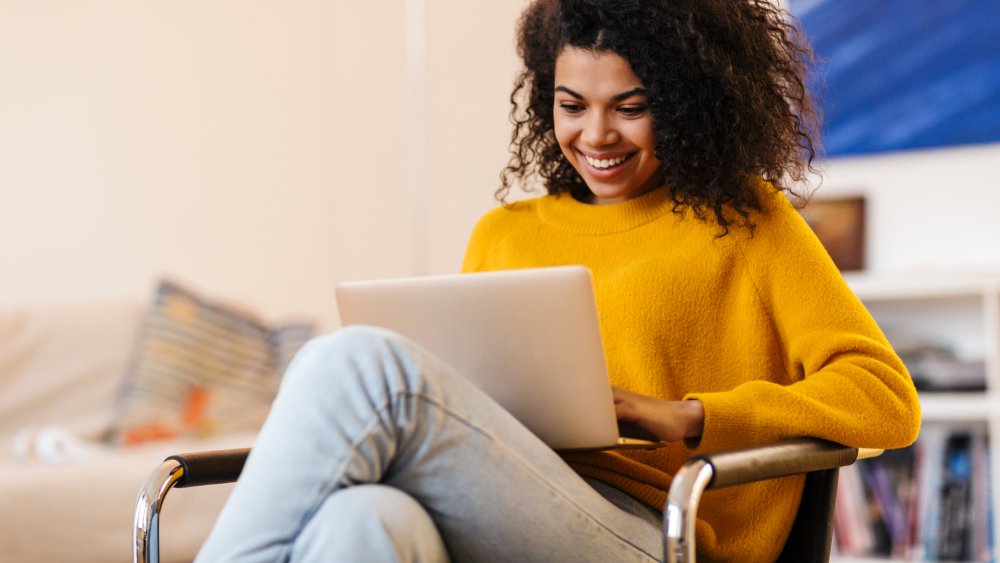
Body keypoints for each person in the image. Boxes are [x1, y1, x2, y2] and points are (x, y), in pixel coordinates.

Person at [195, 0, 921, 561]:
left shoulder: (746, 221)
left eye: (630, 107)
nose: (596, 135)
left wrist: (692, 415)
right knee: (363, 521)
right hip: (509, 503)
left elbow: (887, 398)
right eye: (572, 104)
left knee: (356, 363)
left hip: (654, 531)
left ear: (689, 101)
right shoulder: (504, 232)